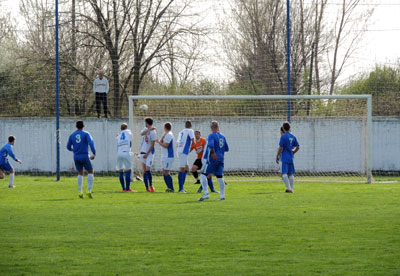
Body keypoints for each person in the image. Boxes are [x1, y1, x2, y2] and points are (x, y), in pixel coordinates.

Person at [198, 121, 229, 201]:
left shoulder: (211, 135)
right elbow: (227, 148)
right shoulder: (223, 136)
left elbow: (211, 145)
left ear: (211, 128)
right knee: (220, 176)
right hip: (221, 159)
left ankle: (206, 193)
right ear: (218, 127)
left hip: (212, 159)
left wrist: (213, 153)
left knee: (203, 175)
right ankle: (222, 196)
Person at [67, 120, 96, 199]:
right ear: (84, 126)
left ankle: (80, 191)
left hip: (76, 156)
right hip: (84, 155)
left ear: (76, 126)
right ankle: (89, 190)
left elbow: (68, 147)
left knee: (80, 173)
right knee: (90, 171)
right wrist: (94, 153)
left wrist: (74, 150)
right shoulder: (86, 134)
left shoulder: (72, 135)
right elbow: (91, 142)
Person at [275, 122, 300, 193]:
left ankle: (289, 188)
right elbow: (298, 147)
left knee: (284, 174)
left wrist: (277, 156)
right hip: (291, 157)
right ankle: (291, 188)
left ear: (283, 128)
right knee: (290, 174)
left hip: (284, 157)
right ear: (289, 128)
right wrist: (293, 152)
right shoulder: (293, 136)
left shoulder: (283, 136)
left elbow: (280, 147)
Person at [176, 121, 195, 193]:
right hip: (183, 151)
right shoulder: (190, 130)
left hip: (180, 150)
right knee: (182, 168)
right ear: (191, 125)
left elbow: (178, 142)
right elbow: (193, 141)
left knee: (187, 168)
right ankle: (180, 189)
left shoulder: (181, 132)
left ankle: (182, 187)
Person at [139, 117, 157, 192]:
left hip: (149, 153)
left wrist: (147, 153)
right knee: (144, 170)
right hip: (142, 151)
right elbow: (141, 133)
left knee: (147, 169)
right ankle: (147, 188)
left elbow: (152, 145)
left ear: (147, 123)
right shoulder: (146, 129)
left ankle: (151, 185)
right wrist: (149, 129)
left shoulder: (153, 132)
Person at [157, 122, 175, 192]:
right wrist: (163, 136)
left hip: (168, 156)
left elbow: (166, 145)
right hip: (165, 156)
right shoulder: (166, 134)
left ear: (165, 127)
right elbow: (161, 141)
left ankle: (171, 188)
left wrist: (159, 142)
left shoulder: (169, 135)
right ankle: (169, 188)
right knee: (164, 172)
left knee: (166, 172)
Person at [116, 123, 134, 192]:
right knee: (128, 170)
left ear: (121, 129)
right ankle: (128, 188)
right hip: (126, 152)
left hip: (119, 153)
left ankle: (123, 188)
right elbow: (130, 142)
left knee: (120, 170)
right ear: (127, 128)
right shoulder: (129, 132)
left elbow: (117, 138)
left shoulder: (119, 135)